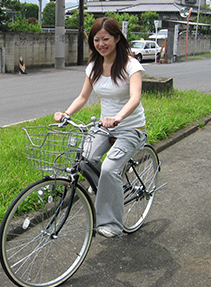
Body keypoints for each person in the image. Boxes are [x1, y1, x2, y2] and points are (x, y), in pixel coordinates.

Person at [54, 17, 147, 238]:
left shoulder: (130, 65)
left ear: (117, 38)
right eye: (96, 40)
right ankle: (106, 190)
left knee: (108, 169)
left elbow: (135, 97)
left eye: (106, 39)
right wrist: (66, 113)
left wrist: (118, 117)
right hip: (105, 127)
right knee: (84, 158)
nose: (101, 44)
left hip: (130, 128)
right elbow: (83, 97)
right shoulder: (93, 67)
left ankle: (112, 223)